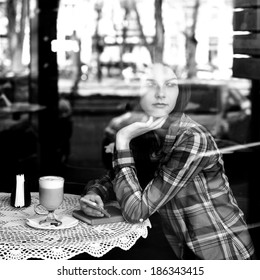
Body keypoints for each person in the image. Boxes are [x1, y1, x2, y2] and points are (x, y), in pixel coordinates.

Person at [80, 63, 255, 260]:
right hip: (181, 249)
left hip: (222, 253)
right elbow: (116, 179)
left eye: (170, 85)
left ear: (180, 93)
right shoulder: (147, 132)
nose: (161, 93)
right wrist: (95, 194)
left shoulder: (192, 137)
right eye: (150, 84)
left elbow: (136, 211)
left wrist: (122, 140)